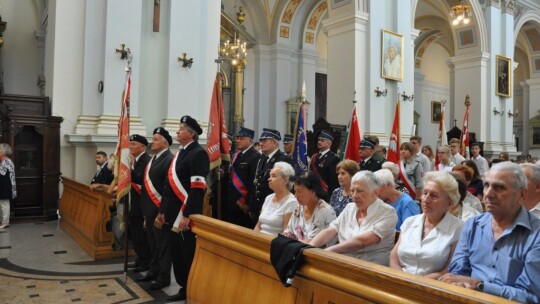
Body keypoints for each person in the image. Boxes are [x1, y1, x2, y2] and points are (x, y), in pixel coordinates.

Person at [439, 162, 540, 303]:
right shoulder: (472, 225)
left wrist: (480, 286)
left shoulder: (536, 235)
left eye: (499, 187)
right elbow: (457, 272)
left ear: (521, 194)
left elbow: (530, 297)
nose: (489, 194)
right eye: (486, 185)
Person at [158, 115, 210, 301]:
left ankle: (191, 287)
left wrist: (188, 215)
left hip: (185, 214)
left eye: (181, 129)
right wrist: (163, 210)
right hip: (172, 213)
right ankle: (183, 287)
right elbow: (167, 186)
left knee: (187, 253)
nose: (177, 131)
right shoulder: (180, 152)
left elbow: (197, 189)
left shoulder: (198, 153)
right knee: (176, 254)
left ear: (191, 133)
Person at [310, 171, 397, 266]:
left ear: (376, 192)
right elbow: (331, 230)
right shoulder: (349, 208)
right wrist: (308, 247)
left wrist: (327, 252)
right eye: (352, 191)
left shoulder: (388, 212)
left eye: (359, 191)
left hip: (371, 269)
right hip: (343, 263)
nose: (354, 196)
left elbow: (362, 242)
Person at [390, 171, 464, 279]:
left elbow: (449, 269)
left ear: (449, 202)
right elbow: (394, 258)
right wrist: (403, 278)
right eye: (425, 193)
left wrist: (419, 282)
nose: (426, 200)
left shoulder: (459, 228)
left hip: (432, 287)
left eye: (434, 196)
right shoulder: (409, 222)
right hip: (400, 281)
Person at [135, 127, 174, 290]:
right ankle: (154, 270)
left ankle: (164, 276)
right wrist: (125, 170)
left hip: (159, 211)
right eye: (153, 138)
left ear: (165, 143)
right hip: (148, 210)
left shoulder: (169, 159)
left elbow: (168, 188)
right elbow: (142, 181)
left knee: (163, 245)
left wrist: (162, 211)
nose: (152, 141)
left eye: (156, 139)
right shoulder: (153, 159)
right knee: (153, 243)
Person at [252, 128, 293, 226]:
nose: (261, 144)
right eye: (260, 141)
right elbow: (256, 182)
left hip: (275, 206)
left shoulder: (283, 159)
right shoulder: (262, 158)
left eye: (265, 141)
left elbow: (287, 184)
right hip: (259, 205)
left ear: (274, 143)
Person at [283, 172, 336, 244]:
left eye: (299, 191)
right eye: (295, 191)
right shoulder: (299, 208)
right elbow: (289, 231)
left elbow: (313, 243)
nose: (295, 195)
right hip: (296, 250)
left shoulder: (325, 211)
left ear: (314, 191)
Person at [126, 134, 152, 273]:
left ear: (143, 146)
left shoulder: (146, 160)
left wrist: (129, 169)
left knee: (141, 235)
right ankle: (140, 258)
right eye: (130, 144)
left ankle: (145, 261)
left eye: (134, 144)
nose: (130, 146)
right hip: (134, 202)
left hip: (142, 203)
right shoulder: (136, 160)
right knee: (135, 234)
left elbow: (141, 180)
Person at [227, 127, 262, 228]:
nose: (238, 141)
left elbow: (253, 182)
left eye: (241, 138)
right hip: (232, 201)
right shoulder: (236, 155)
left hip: (242, 203)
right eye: (237, 138)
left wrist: (248, 203)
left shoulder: (255, 156)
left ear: (250, 140)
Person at [254, 162, 298, 235]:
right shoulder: (268, 198)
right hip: (260, 240)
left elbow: (286, 233)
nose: (269, 179)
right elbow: (258, 226)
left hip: (275, 243)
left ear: (285, 181)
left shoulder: (292, 202)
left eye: (273, 176)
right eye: (269, 176)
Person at [309, 130, 340, 195]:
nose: (319, 142)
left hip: (325, 193)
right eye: (319, 140)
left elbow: (333, 181)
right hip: (313, 191)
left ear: (329, 144)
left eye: (322, 140)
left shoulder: (334, 158)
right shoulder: (314, 156)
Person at [0, 144, 16, 229]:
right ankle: (3, 221)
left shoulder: (7, 161)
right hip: (2, 185)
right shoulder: (2, 161)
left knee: (4, 205)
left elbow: (5, 175)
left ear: (3, 152)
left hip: (5, 186)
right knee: (2, 205)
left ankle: (5, 222)